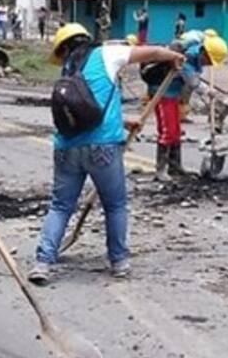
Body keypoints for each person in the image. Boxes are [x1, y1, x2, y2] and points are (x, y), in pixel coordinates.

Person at [27, 24, 185, 284]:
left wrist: (124, 122)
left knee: (60, 206)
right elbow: (152, 52)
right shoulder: (106, 54)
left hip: (66, 149)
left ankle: (43, 263)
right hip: (103, 148)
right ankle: (119, 261)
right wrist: (174, 56)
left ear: (64, 49)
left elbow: (83, 111)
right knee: (115, 205)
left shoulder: (67, 71)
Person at [141, 33, 228, 180]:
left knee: (176, 131)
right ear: (204, 53)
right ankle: (160, 169)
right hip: (162, 92)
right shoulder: (185, 58)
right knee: (167, 131)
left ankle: (175, 166)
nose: (209, 65)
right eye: (209, 61)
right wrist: (208, 91)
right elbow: (193, 82)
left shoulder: (196, 56)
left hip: (173, 94)